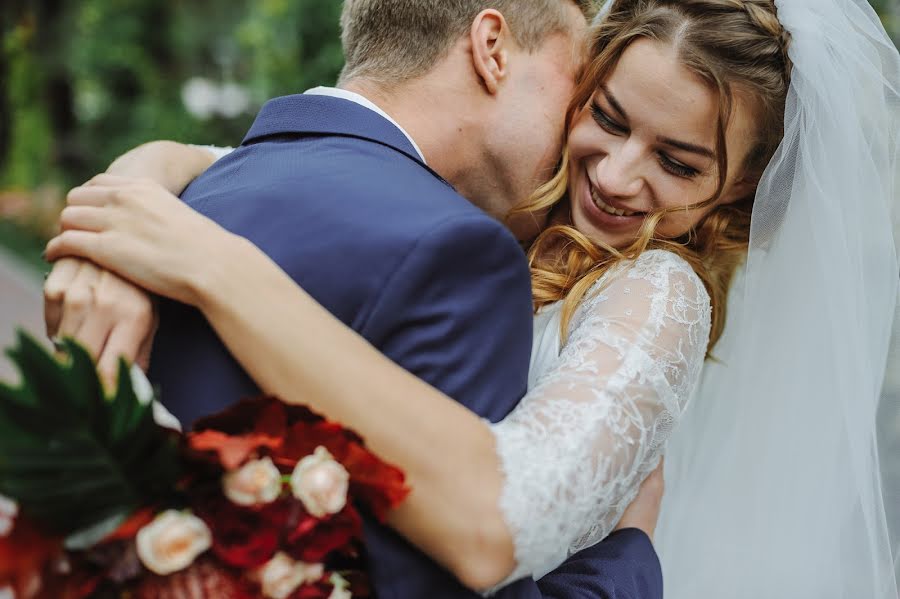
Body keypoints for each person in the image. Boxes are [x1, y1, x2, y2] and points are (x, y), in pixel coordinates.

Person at [45, 0, 900, 596]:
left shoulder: (657, 291)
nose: (616, 173)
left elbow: (509, 516)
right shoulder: (501, 199)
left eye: (678, 162)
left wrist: (632, 551)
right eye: (606, 115)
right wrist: (140, 182)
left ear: (737, 187)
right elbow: (218, 160)